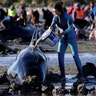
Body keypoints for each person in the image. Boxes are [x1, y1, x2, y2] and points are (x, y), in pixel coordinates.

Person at [49, 2, 84, 88]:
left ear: (59, 10)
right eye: (53, 11)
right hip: (62, 39)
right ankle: (63, 76)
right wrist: (50, 28)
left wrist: (63, 32)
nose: (54, 13)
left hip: (71, 38)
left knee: (75, 55)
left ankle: (81, 74)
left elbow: (71, 28)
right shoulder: (55, 17)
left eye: (55, 11)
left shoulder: (67, 17)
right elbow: (52, 25)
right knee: (60, 56)